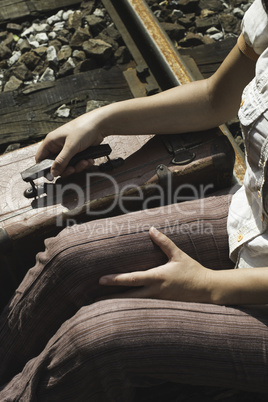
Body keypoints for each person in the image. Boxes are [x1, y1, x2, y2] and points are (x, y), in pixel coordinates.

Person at [1, 0, 268, 399]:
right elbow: (216, 99)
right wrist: (100, 120)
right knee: (70, 258)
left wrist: (211, 286)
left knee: (96, 341)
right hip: (256, 225)